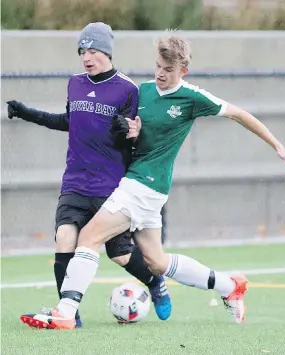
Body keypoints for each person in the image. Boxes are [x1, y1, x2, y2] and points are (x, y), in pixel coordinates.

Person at [22, 32, 285, 330]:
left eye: (168, 70)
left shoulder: (192, 97)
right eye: (158, 66)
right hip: (140, 184)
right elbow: (129, 131)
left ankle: (66, 312)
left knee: (88, 238)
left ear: (183, 71)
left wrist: (279, 147)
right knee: (157, 263)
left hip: (144, 186)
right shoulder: (142, 92)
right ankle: (229, 286)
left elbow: (239, 114)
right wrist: (131, 131)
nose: (160, 74)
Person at [10, 22, 171, 329]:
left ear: (107, 52)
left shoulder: (128, 89)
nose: (87, 56)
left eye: (93, 50)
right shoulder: (75, 83)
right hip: (75, 181)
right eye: (83, 51)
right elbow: (69, 121)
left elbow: (140, 135)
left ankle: (155, 282)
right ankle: (69, 314)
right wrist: (27, 112)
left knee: (121, 255)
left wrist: (130, 132)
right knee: (64, 238)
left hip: (110, 186)